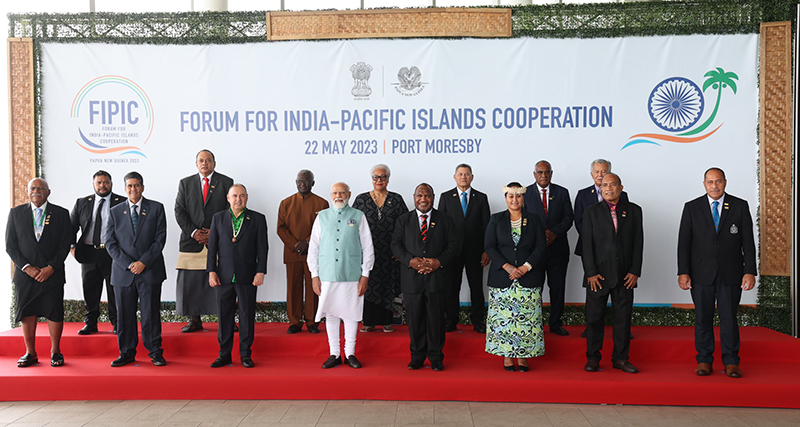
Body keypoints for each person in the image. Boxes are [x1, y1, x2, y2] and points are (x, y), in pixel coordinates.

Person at [678, 167, 756, 378]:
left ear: (725, 182)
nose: (714, 185)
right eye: (710, 182)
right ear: (704, 184)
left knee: (729, 318)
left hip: (731, 273)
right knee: (703, 318)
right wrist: (683, 272)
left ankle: (731, 362)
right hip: (700, 273)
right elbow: (684, 243)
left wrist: (749, 271)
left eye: (718, 181)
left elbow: (748, 242)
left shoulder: (739, 206)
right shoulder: (692, 207)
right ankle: (704, 360)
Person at [6, 178, 72, 367]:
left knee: (54, 312)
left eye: (40, 188)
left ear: (48, 192)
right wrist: (26, 267)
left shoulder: (61, 214)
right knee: (27, 312)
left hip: (52, 273)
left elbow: (65, 245)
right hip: (25, 275)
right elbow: (10, 246)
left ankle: (55, 351)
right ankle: (30, 352)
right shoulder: (16, 213)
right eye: (33, 188)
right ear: (28, 192)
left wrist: (51, 267)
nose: (36, 191)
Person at [307, 182, 375, 369]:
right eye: (335, 193)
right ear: (331, 195)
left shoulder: (358, 216)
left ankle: (350, 353)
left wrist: (365, 274)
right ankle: (334, 353)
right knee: (331, 314)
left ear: (349, 194)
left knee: (351, 315)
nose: (338, 196)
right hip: (327, 274)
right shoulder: (321, 217)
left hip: (352, 274)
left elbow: (368, 247)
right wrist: (314, 275)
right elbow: (313, 247)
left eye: (342, 193)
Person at [392, 183, 458, 371]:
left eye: (427, 196)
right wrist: (410, 261)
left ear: (433, 197)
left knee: (436, 321)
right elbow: (395, 245)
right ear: (414, 197)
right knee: (415, 321)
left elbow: (454, 245)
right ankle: (417, 357)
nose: (423, 199)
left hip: (437, 279)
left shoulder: (445, 220)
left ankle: (436, 357)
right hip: (412, 280)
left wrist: (439, 262)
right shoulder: (403, 220)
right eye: (419, 196)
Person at [582, 173, 643, 374]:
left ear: (621, 187)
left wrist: (635, 271)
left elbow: (638, 243)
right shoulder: (591, 212)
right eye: (605, 185)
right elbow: (586, 245)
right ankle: (593, 358)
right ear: (601, 189)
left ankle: (621, 358)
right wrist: (591, 272)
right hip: (597, 277)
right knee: (594, 318)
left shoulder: (634, 211)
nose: (608, 188)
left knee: (623, 319)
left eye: (613, 184)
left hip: (625, 276)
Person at [105, 172, 168, 367]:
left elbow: (160, 240)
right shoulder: (115, 212)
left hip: (150, 271)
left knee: (151, 314)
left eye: (137, 185)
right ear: (125, 189)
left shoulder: (156, 208)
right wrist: (129, 264)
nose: (133, 189)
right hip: (123, 273)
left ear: (142, 187)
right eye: (130, 186)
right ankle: (126, 352)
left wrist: (143, 262)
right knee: (124, 315)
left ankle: (155, 352)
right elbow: (110, 243)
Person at [484, 182, 546, 372]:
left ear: (523, 198)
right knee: (504, 320)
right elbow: (490, 246)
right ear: (506, 198)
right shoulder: (496, 219)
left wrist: (525, 267)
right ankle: (507, 355)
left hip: (528, 277)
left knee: (526, 320)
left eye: (518, 196)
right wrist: (508, 267)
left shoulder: (534, 219)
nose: (514, 199)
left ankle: (523, 355)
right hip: (503, 278)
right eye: (511, 196)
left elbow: (540, 246)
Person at [207, 184, 268, 368]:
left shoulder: (257, 219)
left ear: (246, 198)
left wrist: (260, 271)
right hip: (223, 276)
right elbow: (212, 248)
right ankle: (224, 354)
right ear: (228, 198)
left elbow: (262, 248)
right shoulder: (218, 218)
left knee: (246, 315)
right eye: (234, 196)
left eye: (242, 196)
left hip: (248, 275)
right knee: (224, 316)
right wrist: (211, 271)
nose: (238, 199)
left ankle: (245, 355)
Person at [175, 149, 234, 333]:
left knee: (222, 281)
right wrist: (194, 232)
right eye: (201, 160)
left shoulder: (226, 182)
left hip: (218, 241)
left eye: (208, 160)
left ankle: (226, 320)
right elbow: (179, 211)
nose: (204, 163)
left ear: (214, 163)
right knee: (192, 283)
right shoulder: (185, 183)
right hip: (191, 241)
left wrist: (215, 232)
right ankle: (194, 320)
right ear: (196, 164)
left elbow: (230, 210)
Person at [573, 159, 630, 339]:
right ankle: (591, 329)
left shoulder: (623, 195)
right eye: (597, 172)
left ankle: (622, 332)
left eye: (604, 171)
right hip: (592, 251)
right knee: (595, 293)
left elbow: (626, 224)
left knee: (620, 296)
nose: (600, 174)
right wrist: (594, 238)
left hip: (617, 254)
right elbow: (579, 221)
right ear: (592, 174)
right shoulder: (583, 194)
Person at [352, 164, 408, 333]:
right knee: (368, 285)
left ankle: (387, 322)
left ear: (388, 179)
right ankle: (368, 322)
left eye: (383, 177)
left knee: (388, 286)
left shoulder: (396, 199)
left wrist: (401, 251)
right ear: (372, 179)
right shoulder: (361, 199)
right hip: (366, 252)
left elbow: (405, 226)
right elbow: (352, 225)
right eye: (376, 177)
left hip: (390, 253)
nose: (379, 180)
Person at [70, 170, 124, 335]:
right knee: (90, 290)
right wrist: (72, 247)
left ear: (111, 184)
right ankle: (91, 323)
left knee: (114, 289)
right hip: (89, 253)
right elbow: (71, 227)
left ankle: (117, 323)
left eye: (106, 182)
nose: (102, 185)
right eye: (99, 182)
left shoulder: (122, 202)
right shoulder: (82, 202)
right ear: (93, 184)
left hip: (112, 253)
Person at [438, 164, 490, 333]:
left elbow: (487, 226)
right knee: (452, 288)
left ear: (472, 177)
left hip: (475, 251)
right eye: (460, 174)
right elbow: (441, 227)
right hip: (452, 252)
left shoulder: (481, 198)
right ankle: (451, 320)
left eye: (466, 174)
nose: (463, 177)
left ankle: (478, 320)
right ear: (455, 177)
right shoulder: (446, 197)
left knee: (476, 287)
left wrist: (487, 250)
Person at [523, 160, 574, 336]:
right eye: (540, 172)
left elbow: (569, 218)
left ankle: (555, 323)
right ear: (534, 174)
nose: (543, 175)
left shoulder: (562, 192)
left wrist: (554, 233)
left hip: (558, 250)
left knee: (557, 288)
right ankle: (534, 324)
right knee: (535, 289)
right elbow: (523, 219)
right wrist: (539, 236)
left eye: (547, 172)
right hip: (535, 252)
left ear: (551, 174)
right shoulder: (525, 193)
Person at [277, 169, 329, 334]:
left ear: (313, 183)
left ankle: (312, 322)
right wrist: (296, 245)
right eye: (299, 181)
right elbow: (281, 228)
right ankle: (294, 322)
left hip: (314, 252)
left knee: (314, 288)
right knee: (293, 288)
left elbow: (324, 228)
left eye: (306, 181)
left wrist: (307, 242)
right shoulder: (286, 203)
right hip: (293, 253)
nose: (302, 184)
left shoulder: (322, 204)